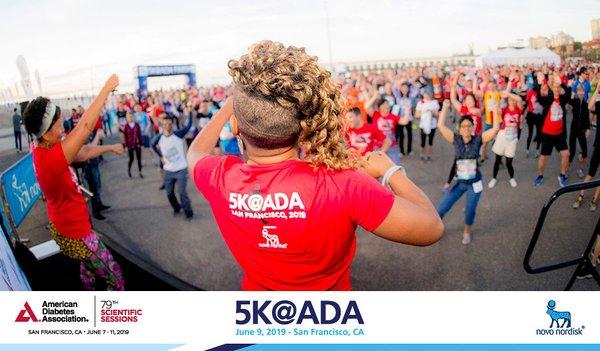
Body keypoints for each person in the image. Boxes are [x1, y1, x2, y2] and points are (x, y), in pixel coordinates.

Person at [187, 41, 443, 290]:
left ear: (234, 127)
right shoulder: (343, 184)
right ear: (305, 129)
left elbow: (196, 151)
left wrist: (231, 105)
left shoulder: (219, 178)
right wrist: (390, 170)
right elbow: (432, 227)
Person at [22, 74, 125, 291]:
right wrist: (106, 89)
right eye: (59, 126)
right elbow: (85, 126)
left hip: (64, 228)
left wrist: (109, 147)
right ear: (47, 133)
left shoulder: (44, 146)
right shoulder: (49, 159)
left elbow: (81, 152)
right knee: (114, 276)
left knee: (87, 268)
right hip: (76, 232)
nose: (63, 131)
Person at [436, 99, 500, 245]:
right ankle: (434, 228)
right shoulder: (456, 139)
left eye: (468, 126)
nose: (466, 129)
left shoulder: (478, 139)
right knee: (441, 208)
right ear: (459, 128)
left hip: (474, 183)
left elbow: (495, 129)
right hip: (458, 182)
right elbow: (440, 125)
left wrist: (495, 111)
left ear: (473, 127)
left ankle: (467, 231)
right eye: (463, 126)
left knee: (470, 210)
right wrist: (445, 107)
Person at [152, 110, 194, 221]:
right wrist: (160, 155)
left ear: (172, 124)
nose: (167, 126)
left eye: (169, 124)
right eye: (165, 124)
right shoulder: (159, 137)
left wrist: (189, 111)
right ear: (162, 125)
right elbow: (152, 145)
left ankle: (188, 212)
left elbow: (189, 125)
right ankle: (176, 207)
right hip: (168, 171)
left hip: (181, 169)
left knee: (182, 193)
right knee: (169, 193)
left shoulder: (178, 134)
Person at [534, 73, 571, 188]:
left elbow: (567, 93)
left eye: (557, 86)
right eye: (554, 85)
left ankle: (562, 175)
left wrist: (561, 84)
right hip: (547, 134)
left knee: (566, 155)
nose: (556, 88)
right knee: (543, 157)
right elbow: (540, 95)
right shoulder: (548, 98)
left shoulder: (563, 98)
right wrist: (541, 84)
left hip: (559, 133)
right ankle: (540, 175)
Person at [573, 81, 600, 211]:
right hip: (598, 147)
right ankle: (581, 195)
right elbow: (589, 106)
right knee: (590, 174)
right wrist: (598, 89)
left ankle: (594, 199)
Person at [488, 89, 523, 188]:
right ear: (508, 100)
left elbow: (519, 99)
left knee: (509, 162)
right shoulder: (505, 110)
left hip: (512, 138)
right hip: (502, 135)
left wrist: (508, 94)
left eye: (514, 100)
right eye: (510, 100)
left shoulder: (519, 110)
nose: (512, 101)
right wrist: (495, 97)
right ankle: (494, 178)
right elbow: (497, 108)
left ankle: (512, 178)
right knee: (497, 160)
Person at [568, 85, 591, 179]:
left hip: (582, 130)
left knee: (585, 152)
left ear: (584, 92)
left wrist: (588, 128)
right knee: (572, 152)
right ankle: (565, 170)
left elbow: (587, 118)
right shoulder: (575, 101)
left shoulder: (586, 104)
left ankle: (580, 169)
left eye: (582, 91)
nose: (581, 93)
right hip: (573, 130)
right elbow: (568, 99)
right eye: (579, 91)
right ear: (577, 92)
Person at [415, 90, 439, 161]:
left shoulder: (434, 102)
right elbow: (416, 115)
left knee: (430, 141)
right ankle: (422, 154)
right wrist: (424, 113)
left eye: (428, 94)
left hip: (432, 125)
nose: (427, 95)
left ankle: (428, 155)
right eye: (425, 94)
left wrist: (431, 112)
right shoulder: (420, 103)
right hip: (423, 125)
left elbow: (437, 114)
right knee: (423, 141)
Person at [121, 112, 143, 178]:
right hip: (130, 145)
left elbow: (139, 135)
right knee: (131, 159)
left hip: (137, 144)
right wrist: (125, 146)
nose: (130, 118)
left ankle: (140, 172)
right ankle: (129, 171)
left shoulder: (137, 125)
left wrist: (141, 143)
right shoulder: (126, 126)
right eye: (129, 117)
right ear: (127, 118)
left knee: (139, 159)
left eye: (131, 117)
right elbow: (125, 137)